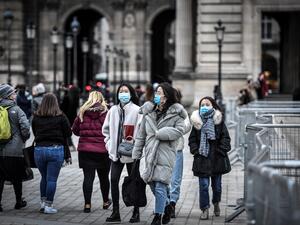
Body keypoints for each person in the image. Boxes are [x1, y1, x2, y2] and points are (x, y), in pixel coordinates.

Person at [132, 82, 185, 225]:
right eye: (156, 92)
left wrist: (161, 133)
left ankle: (158, 216)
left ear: (166, 96)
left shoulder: (176, 114)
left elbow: (180, 130)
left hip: (165, 153)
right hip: (150, 153)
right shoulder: (148, 113)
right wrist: (136, 154)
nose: (157, 95)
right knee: (151, 183)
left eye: (160, 92)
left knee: (160, 184)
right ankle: (167, 206)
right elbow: (141, 135)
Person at [102, 83, 141, 223]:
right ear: (118, 94)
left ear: (131, 94)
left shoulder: (137, 110)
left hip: (131, 154)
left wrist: (137, 147)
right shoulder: (112, 110)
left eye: (126, 91)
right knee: (113, 180)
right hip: (115, 154)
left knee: (134, 182)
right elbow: (105, 130)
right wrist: (109, 144)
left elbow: (141, 131)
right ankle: (116, 212)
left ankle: (136, 212)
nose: (123, 93)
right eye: (121, 91)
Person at [188, 96, 231, 220]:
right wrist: (196, 151)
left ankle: (216, 203)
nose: (204, 107)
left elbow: (226, 138)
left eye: (207, 104)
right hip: (202, 159)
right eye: (202, 105)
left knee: (217, 187)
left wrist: (221, 151)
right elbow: (192, 140)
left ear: (213, 106)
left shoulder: (219, 121)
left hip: (217, 159)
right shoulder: (197, 122)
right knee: (203, 185)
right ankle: (205, 208)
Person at [32, 93, 72, 214]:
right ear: (56, 103)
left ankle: (43, 203)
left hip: (39, 150)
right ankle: (49, 206)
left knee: (44, 177)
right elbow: (69, 133)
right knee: (52, 179)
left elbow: (34, 132)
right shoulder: (61, 116)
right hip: (55, 150)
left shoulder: (36, 117)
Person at [72, 91, 111, 213]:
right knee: (104, 177)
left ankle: (87, 204)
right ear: (101, 99)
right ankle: (105, 202)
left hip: (85, 151)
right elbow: (111, 130)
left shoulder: (82, 112)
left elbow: (75, 130)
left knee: (88, 177)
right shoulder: (106, 113)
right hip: (102, 151)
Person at [0, 84, 30, 212]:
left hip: (0, 150)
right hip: (15, 151)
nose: (15, 94)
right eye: (13, 93)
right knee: (17, 177)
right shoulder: (17, 110)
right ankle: (19, 201)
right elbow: (25, 128)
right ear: (8, 95)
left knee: (0, 178)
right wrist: (23, 139)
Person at [165, 88, 191, 220]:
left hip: (177, 149)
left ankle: (172, 204)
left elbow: (187, 126)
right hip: (162, 149)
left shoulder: (181, 111)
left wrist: (174, 130)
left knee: (175, 179)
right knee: (162, 178)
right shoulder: (159, 110)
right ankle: (164, 203)